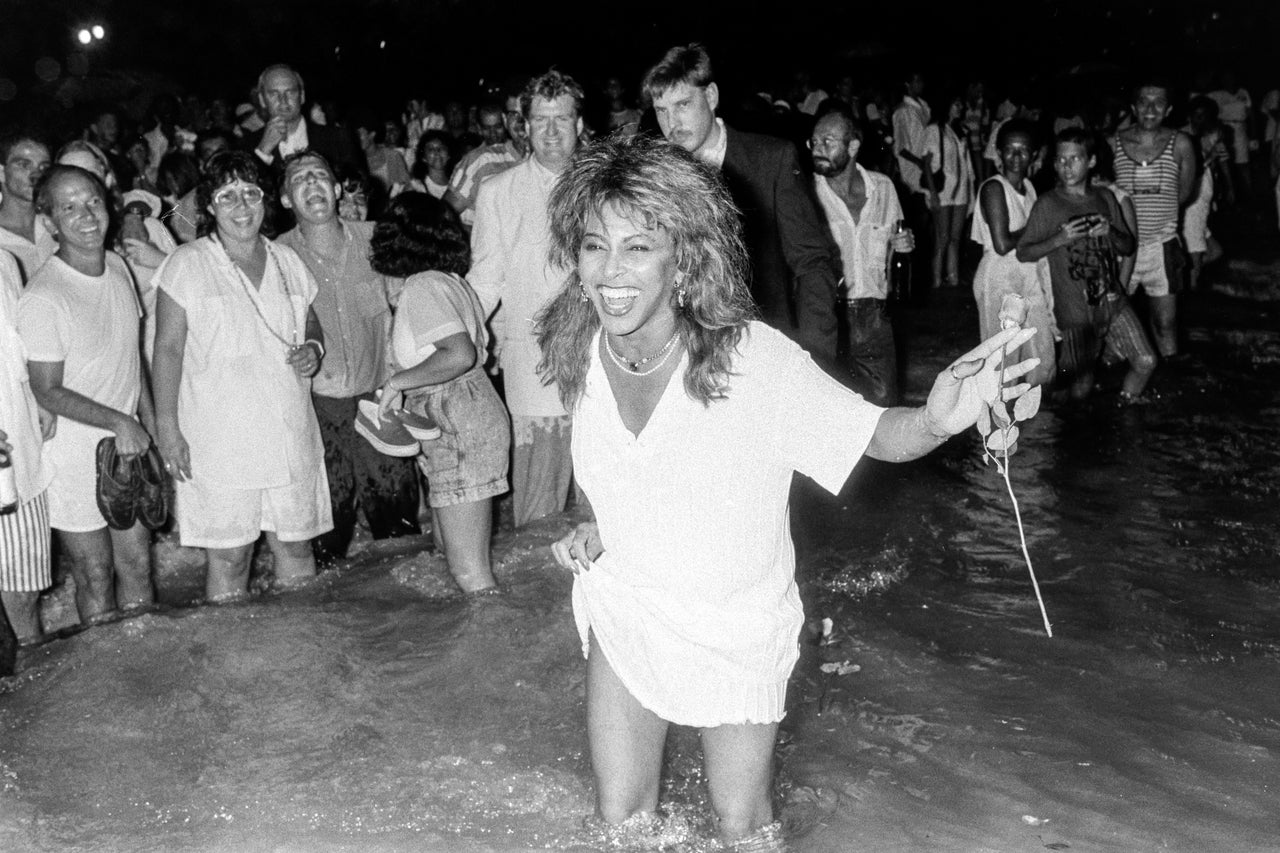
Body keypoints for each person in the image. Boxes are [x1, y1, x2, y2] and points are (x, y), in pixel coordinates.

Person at [538, 135, 1039, 851]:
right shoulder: (579, 348)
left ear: (683, 257)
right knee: (621, 825)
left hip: (737, 624)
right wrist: (598, 525)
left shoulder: (753, 361)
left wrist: (937, 416)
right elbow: (629, 468)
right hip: (631, 604)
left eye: (637, 247)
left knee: (742, 828)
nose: (610, 271)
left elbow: (876, 435)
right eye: (594, 246)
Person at [151, 151, 331, 602]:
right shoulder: (186, 264)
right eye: (227, 196)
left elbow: (311, 321)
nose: (242, 206)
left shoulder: (287, 258)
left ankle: (302, 655)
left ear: (265, 200)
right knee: (231, 558)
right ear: (209, 206)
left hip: (289, 432)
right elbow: (167, 349)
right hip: (219, 439)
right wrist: (167, 430)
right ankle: (230, 660)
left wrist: (313, 347)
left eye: (250, 193)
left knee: (295, 547)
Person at [643, 43, 843, 364]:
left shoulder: (771, 160)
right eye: (661, 110)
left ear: (710, 97)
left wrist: (815, 355)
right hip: (685, 353)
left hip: (763, 348)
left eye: (682, 104)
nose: (672, 123)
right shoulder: (655, 175)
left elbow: (812, 265)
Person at [17, 165, 155, 626]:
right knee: (95, 574)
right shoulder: (45, 295)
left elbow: (134, 359)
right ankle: (109, 681)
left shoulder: (117, 266)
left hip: (128, 448)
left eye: (93, 201)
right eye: (69, 207)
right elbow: (47, 389)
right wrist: (120, 421)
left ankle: (153, 665)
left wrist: (153, 432)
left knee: (137, 565)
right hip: (73, 458)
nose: (86, 215)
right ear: (51, 222)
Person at [276, 151, 421, 564]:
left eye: (320, 176)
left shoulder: (377, 239)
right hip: (316, 411)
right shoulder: (275, 256)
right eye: (299, 180)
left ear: (337, 190)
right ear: (286, 199)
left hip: (381, 402)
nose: (312, 184)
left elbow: (413, 308)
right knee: (327, 541)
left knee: (400, 535)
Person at [370, 193, 510, 594]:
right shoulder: (450, 282)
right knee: (454, 556)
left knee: (470, 574)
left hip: (456, 415)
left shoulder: (423, 286)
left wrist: (396, 384)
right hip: (466, 412)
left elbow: (459, 354)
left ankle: (494, 647)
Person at [467, 69, 583, 527]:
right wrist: (456, 333)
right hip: (534, 363)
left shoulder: (609, 185)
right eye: (541, 120)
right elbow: (485, 279)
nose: (552, 131)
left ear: (579, 123)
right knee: (540, 507)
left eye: (562, 119)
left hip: (608, 360)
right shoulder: (498, 192)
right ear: (524, 125)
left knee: (610, 499)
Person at [1018, 129, 1156, 402]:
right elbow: (1024, 252)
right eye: (1060, 160)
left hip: (1112, 299)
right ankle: (1070, 430)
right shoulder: (1048, 204)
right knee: (1082, 386)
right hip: (1075, 311)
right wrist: (1060, 238)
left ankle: (1125, 410)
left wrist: (1111, 232)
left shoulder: (1105, 197)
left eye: (1075, 159)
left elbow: (1127, 246)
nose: (1066, 166)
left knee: (1146, 360)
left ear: (1091, 161)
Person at [808, 106, 914, 405]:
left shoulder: (883, 188)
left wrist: (903, 244)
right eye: (814, 142)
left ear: (853, 146)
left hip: (875, 316)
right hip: (827, 315)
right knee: (830, 407)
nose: (818, 149)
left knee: (881, 406)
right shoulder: (804, 192)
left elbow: (896, 245)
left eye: (828, 141)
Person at [1112, 81, 1196, 359]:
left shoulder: (1181, 143)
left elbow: (1183, 193)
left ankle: (1170, 383)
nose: (1150, 108)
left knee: (1165, 323)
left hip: (1162, 247)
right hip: (1122, 250)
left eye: (1158, 102)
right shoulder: (1113, 143)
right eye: (1144, 101)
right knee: (1112, 324)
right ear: (1133, 107)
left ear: (1169, 109)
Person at [970, 119, 1056, 387]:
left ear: (1034, 154)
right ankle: (997, 425)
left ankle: (1033, 423)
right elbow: (1003, 243)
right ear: (998, 152)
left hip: (1028, 273)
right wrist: (1041, 229)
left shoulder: (1029, 187)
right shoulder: (994, 187)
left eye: (1023, 150)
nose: (1016, 157)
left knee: (1042, 355)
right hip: (1000, 276)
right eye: (1010, 149)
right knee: (1003, 361)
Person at [1, 249, 52, 645]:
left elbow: (20, 347)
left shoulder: (4, 261)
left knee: (24, 594)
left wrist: (40, 402)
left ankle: (33, 700)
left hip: (20, 453)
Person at [244, 64, 363, 180]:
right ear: (262, 100)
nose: (283, 100)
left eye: (290, 92)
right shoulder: (247, 146)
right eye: (273, 94)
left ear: (302, 96)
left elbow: (357, 191)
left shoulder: (337, 139)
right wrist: (263, 153)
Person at [444, 91, 529, 229]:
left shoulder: (540, 161)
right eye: (514, 114)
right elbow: (446, 214)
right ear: (506, 119)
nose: (521, 122)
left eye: (526, 114)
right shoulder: (479, 160)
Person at [924, 93, 976, 289]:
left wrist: (971, 188)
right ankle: (936, 280)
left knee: (955, 237)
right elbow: (927, 164)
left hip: (961, 189)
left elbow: (966, 162)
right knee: (942, 237)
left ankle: (952, 278)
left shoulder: (960, 130)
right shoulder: (933, 130)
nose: (960, 107)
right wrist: (933, 194)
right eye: (956, 103)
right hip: (943, 190)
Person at [891, 70, 934, 300]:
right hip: (912, 177)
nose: (921, 83)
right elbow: (901, 148)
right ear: (907, 83)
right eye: (916, 79)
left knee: (926, 227)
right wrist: (922, 164)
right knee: (916, 225)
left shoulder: (923, 108)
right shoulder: (902, 112)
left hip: (927, 174)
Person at [0, 133, 55, 283]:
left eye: (43, 168)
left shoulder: (57, 224)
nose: (36, 175)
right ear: (1, 172)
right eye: (24, 165)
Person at [410, 130, 453, 199]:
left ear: (449, 155)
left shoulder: (456, 184)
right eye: (431, 149)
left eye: (441, 148)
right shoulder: (415, 186)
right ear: (423, 157)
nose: (437, 152)